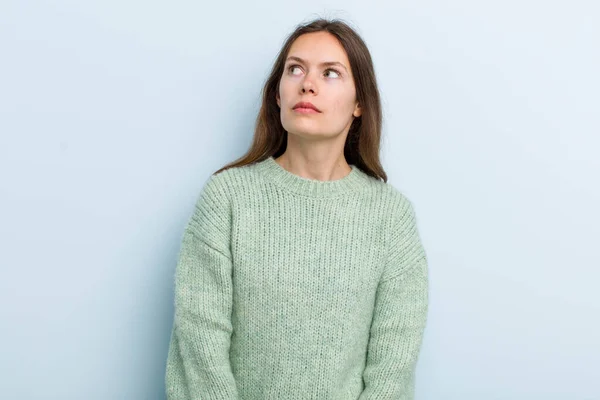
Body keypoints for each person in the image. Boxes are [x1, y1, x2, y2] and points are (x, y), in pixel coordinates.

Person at [165, 17, 429, 400]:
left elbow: (393, 365)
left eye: (331, 73)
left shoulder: (391, 217)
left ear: (359, 104)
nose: (308, 84)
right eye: (295, 69)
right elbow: (199, 344)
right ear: (277, 94)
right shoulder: (227, 199)